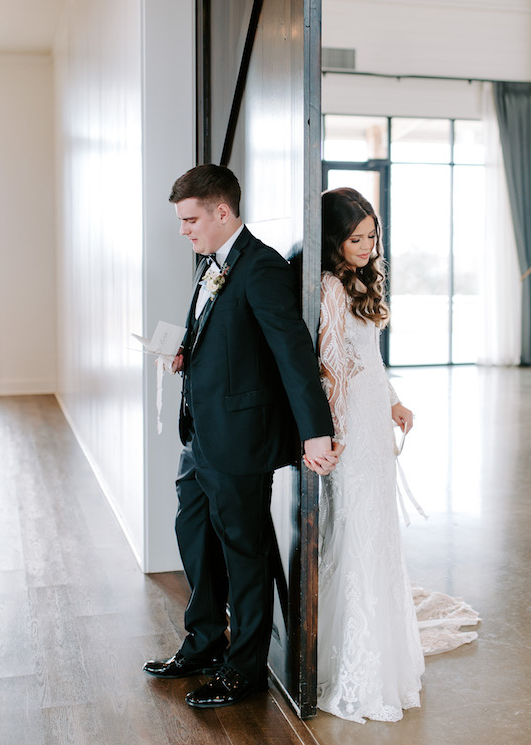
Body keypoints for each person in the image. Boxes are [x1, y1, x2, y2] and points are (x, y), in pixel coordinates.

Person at [143, 164, 339, 709]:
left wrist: (315, 433)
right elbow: (220, 337)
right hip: (199, 435)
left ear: (222, 212)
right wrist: (186, 352)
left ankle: (245, 668)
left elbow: (293, 354)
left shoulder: (262, 269)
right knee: (195, 538)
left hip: (239, 438)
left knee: (244, 552)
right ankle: (204, 642)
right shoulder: (211, 264)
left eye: (190, 220)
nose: (184, 230)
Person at [313, 187, 479, 724]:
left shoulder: (359, 282)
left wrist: (394, 402)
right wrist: (334, 432)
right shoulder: (329, 289)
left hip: (370, 418)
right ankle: (355, 661)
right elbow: (332, 365)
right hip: (350, 428)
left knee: (378, 530)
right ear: (335, 238)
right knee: (357, 530)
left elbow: (369, 360)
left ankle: (382, 646)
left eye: (371, 236)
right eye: (356, 237)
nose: (366, 246)